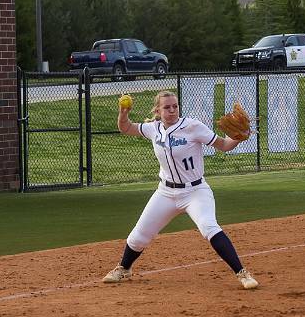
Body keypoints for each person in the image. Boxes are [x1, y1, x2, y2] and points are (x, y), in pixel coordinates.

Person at [102, 91, 259, 290]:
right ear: (158, 110)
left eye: (175, 106)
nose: (172, 110)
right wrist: (123, 112)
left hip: (195, 192)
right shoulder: (154, 129)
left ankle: (242, 273)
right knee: (138, 236)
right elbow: (126, 128)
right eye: (167, 107)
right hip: (165, 193)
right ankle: (124, 268)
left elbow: (224, 145)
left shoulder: (193, 127)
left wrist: (238, 138)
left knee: (209, 227)